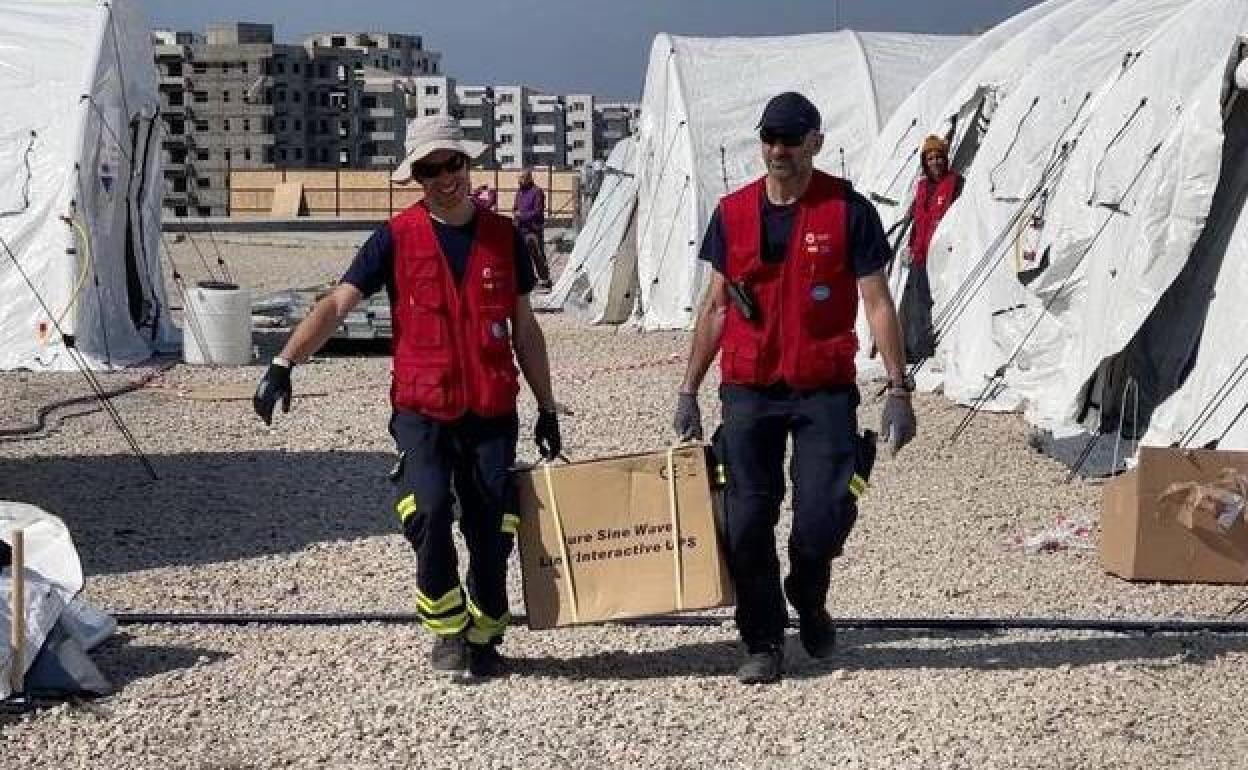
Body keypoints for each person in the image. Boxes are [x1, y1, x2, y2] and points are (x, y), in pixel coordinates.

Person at [252, 114, 562, 680]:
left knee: (494, 527)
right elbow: (336, 306)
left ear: (468, 165)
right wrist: (284, 361)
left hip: (491, 411)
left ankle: (487, 631)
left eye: (454, 164)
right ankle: (446, 628)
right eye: (430, 169)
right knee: (430, 510)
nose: (446, 178)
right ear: (415, 177)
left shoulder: (503, 239)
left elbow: (525, 328)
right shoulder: (393, 239)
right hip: (422, 410)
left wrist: (546, 407)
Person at [671, 92, 917, 685]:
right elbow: (714, 306)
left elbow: (878, 301)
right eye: (770, 138)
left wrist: (899, 388)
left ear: (815, 142)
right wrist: (687, 390)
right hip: (750, 388)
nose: (778, 150)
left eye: (791, 138)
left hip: (822, 389)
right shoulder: (730, 214)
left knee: (824, 515)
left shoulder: (848, 211)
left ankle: (807, 590)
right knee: (746, 520)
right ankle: (762, 638)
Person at [903, 134, 963, 363]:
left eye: (939, 157)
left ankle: (940, 349)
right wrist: (909, 246)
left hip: (942, 256)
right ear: (924, 162)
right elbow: (917, 221)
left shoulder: (956, 183)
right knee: (919, 303)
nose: (935, 162)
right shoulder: (921, 187)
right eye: (930, 158)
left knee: (940, 300)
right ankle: (919, 350)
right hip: (920, 253)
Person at [512, 169, 552, 290]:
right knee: (521, 256)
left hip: (533, 229)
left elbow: (537, 211)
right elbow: (515, 208)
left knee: (538, 255)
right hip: (520, 228)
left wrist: (522, 215)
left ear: (529, 178)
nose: (520, 180)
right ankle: (527, 280)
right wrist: (516, 214)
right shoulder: (519, 192)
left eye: (522, 178)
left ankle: (545, 280)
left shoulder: (537, 192)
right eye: (519, 178)